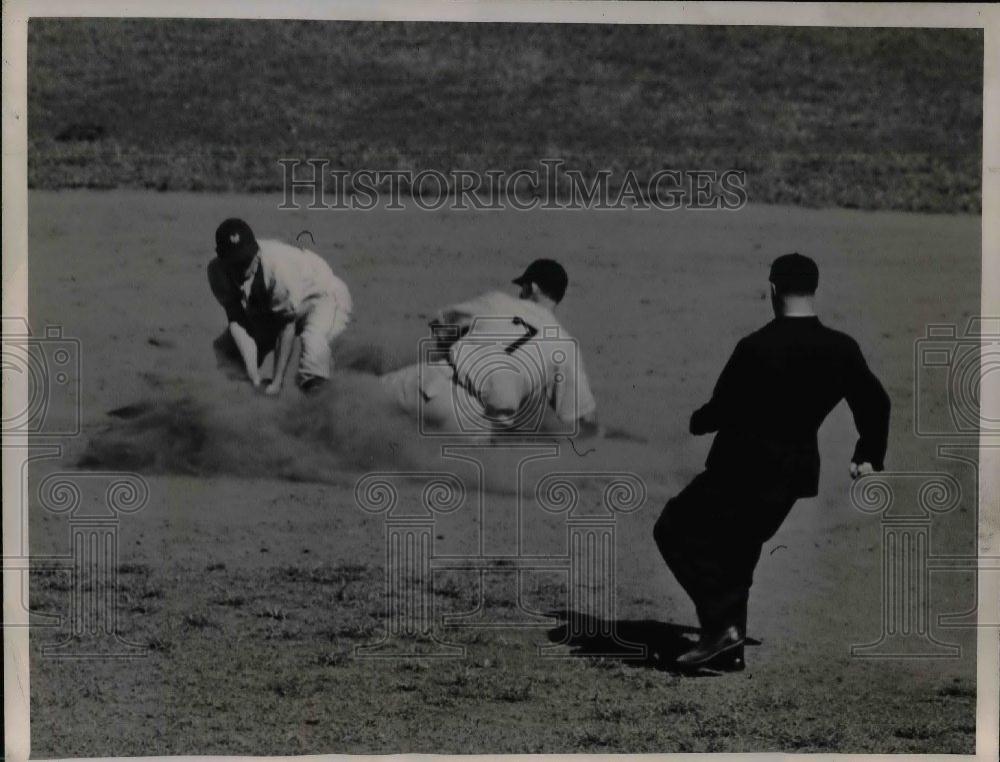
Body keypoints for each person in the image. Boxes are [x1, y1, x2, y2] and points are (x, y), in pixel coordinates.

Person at [653, 252, 890, 672]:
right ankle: (729, 649)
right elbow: (875, 401)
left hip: (739, 469)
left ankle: (721, 627)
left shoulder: (755, 346)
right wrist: (868, 454)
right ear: (813, 290)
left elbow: (721, 410)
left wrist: (695, 422)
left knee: (674, 528)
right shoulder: (840, 348)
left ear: (773, 290)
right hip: (793, 473)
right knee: (738, 552)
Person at [380, 258, 599, 437]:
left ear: (531, 287)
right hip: (471, 422)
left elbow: (439, 323)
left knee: (364, 402)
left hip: (431, 384)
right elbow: (581, 419)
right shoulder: (566, 346)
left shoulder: (497, 301)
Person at [208, 218, 352, 396]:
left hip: (323, 298)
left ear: (257, 253)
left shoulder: (277, 268)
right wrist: (254, 377)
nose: (242, 268)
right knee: (228, 352)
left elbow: (286, 326)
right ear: (221, 259)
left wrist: (276, 383)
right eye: (234, 263)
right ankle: (247, 407)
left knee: (312, 351)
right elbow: (238, 322)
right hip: (275, 307)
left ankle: (326, 407)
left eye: (246, 260)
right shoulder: (216, 273)